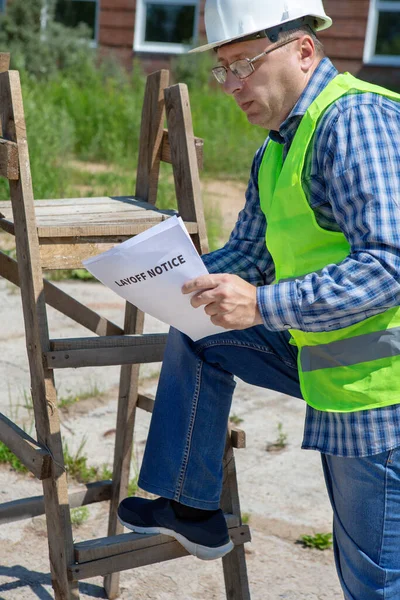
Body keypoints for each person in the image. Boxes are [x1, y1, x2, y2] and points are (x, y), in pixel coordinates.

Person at [117, 0, 400, 597]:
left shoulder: (353, 120)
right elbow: (249, 255)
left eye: (245, 63)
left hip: (384, 391)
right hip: (334, 368)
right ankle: (190, 506)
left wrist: (264, 308)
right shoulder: (275, 148)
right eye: (223, 70)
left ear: (303, 49)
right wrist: (165, 281)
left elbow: (389, 264)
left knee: (375, 583)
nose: (232, 85)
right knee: (202, 325)